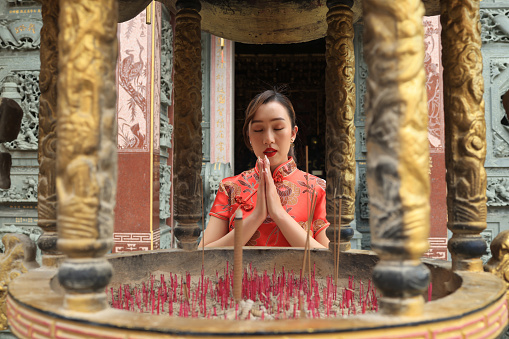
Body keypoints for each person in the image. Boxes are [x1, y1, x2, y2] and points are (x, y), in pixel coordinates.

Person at [200, 89, 329, 248]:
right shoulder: (230, 188)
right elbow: (204, 254)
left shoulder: (316, 188)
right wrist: (256, 216)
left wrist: (278, 214)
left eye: (278, 128)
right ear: (249, 135)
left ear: (293, 133)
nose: (268, 139)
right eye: (258, 130)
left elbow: (330, 259)